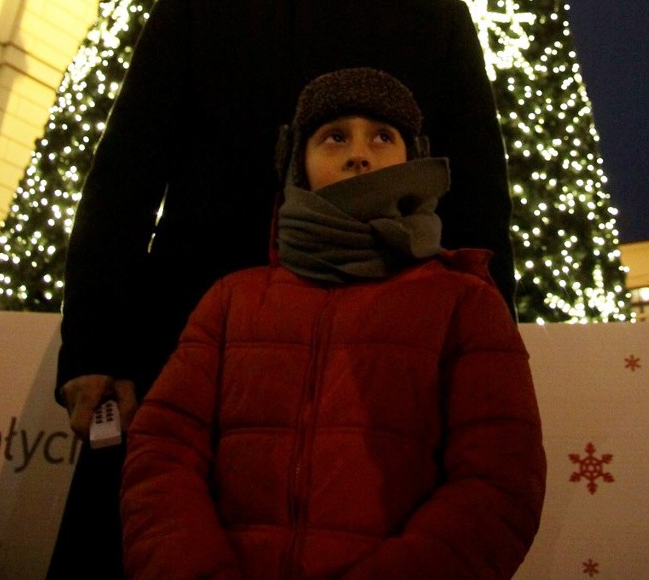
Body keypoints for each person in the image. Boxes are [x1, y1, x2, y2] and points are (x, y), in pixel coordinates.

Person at [48, 0, 514, 576]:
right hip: (179, 341)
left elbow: (480, 206)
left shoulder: (439, 26)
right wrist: (95, 345)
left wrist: (487, 357)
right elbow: (125, 177)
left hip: (368, 365)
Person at [120, 69, 545, 579]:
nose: (358, 154)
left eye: (383, 136)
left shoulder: (466, 303)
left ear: (414, 156)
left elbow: (498, 484)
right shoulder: (232, 302)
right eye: (334, 136)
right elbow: (162, 455)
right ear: (297, 164)